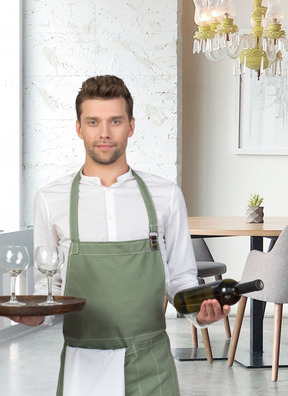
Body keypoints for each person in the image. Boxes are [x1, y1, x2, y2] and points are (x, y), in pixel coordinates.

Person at [11, 75, 230, 395]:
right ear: (78, 128)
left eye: (115, 121)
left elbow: (180, 279)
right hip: (83, 366)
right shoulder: (50, 198)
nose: (104, 133)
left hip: (150, 363)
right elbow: (51, 290)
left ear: (131, 126)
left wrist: (200, 312)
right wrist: (33, 318)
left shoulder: (165, 195)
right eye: (93, 121)